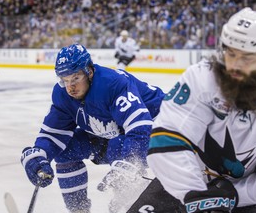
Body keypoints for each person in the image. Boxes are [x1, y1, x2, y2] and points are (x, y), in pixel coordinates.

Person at [127, 7, 256, 213]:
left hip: (246, 196)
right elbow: (166, 139)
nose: (235, 67)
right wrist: (197, 196)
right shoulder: (200, 77)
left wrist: (227, 197)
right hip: (184, 182)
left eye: (247, 57)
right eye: (231, 53)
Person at [20, 43, 165, 213]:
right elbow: (53, 135)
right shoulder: (62, 95)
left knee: (118, 147)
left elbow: (140, 126)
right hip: (116, 135)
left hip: (161, 132)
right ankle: (79, 209)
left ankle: (130, 198)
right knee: (66, 150)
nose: (70, 87)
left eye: (75, 78)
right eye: (64, 80)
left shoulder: (112, 84)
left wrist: (130, 163)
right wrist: (39, 156)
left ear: (89, 71)